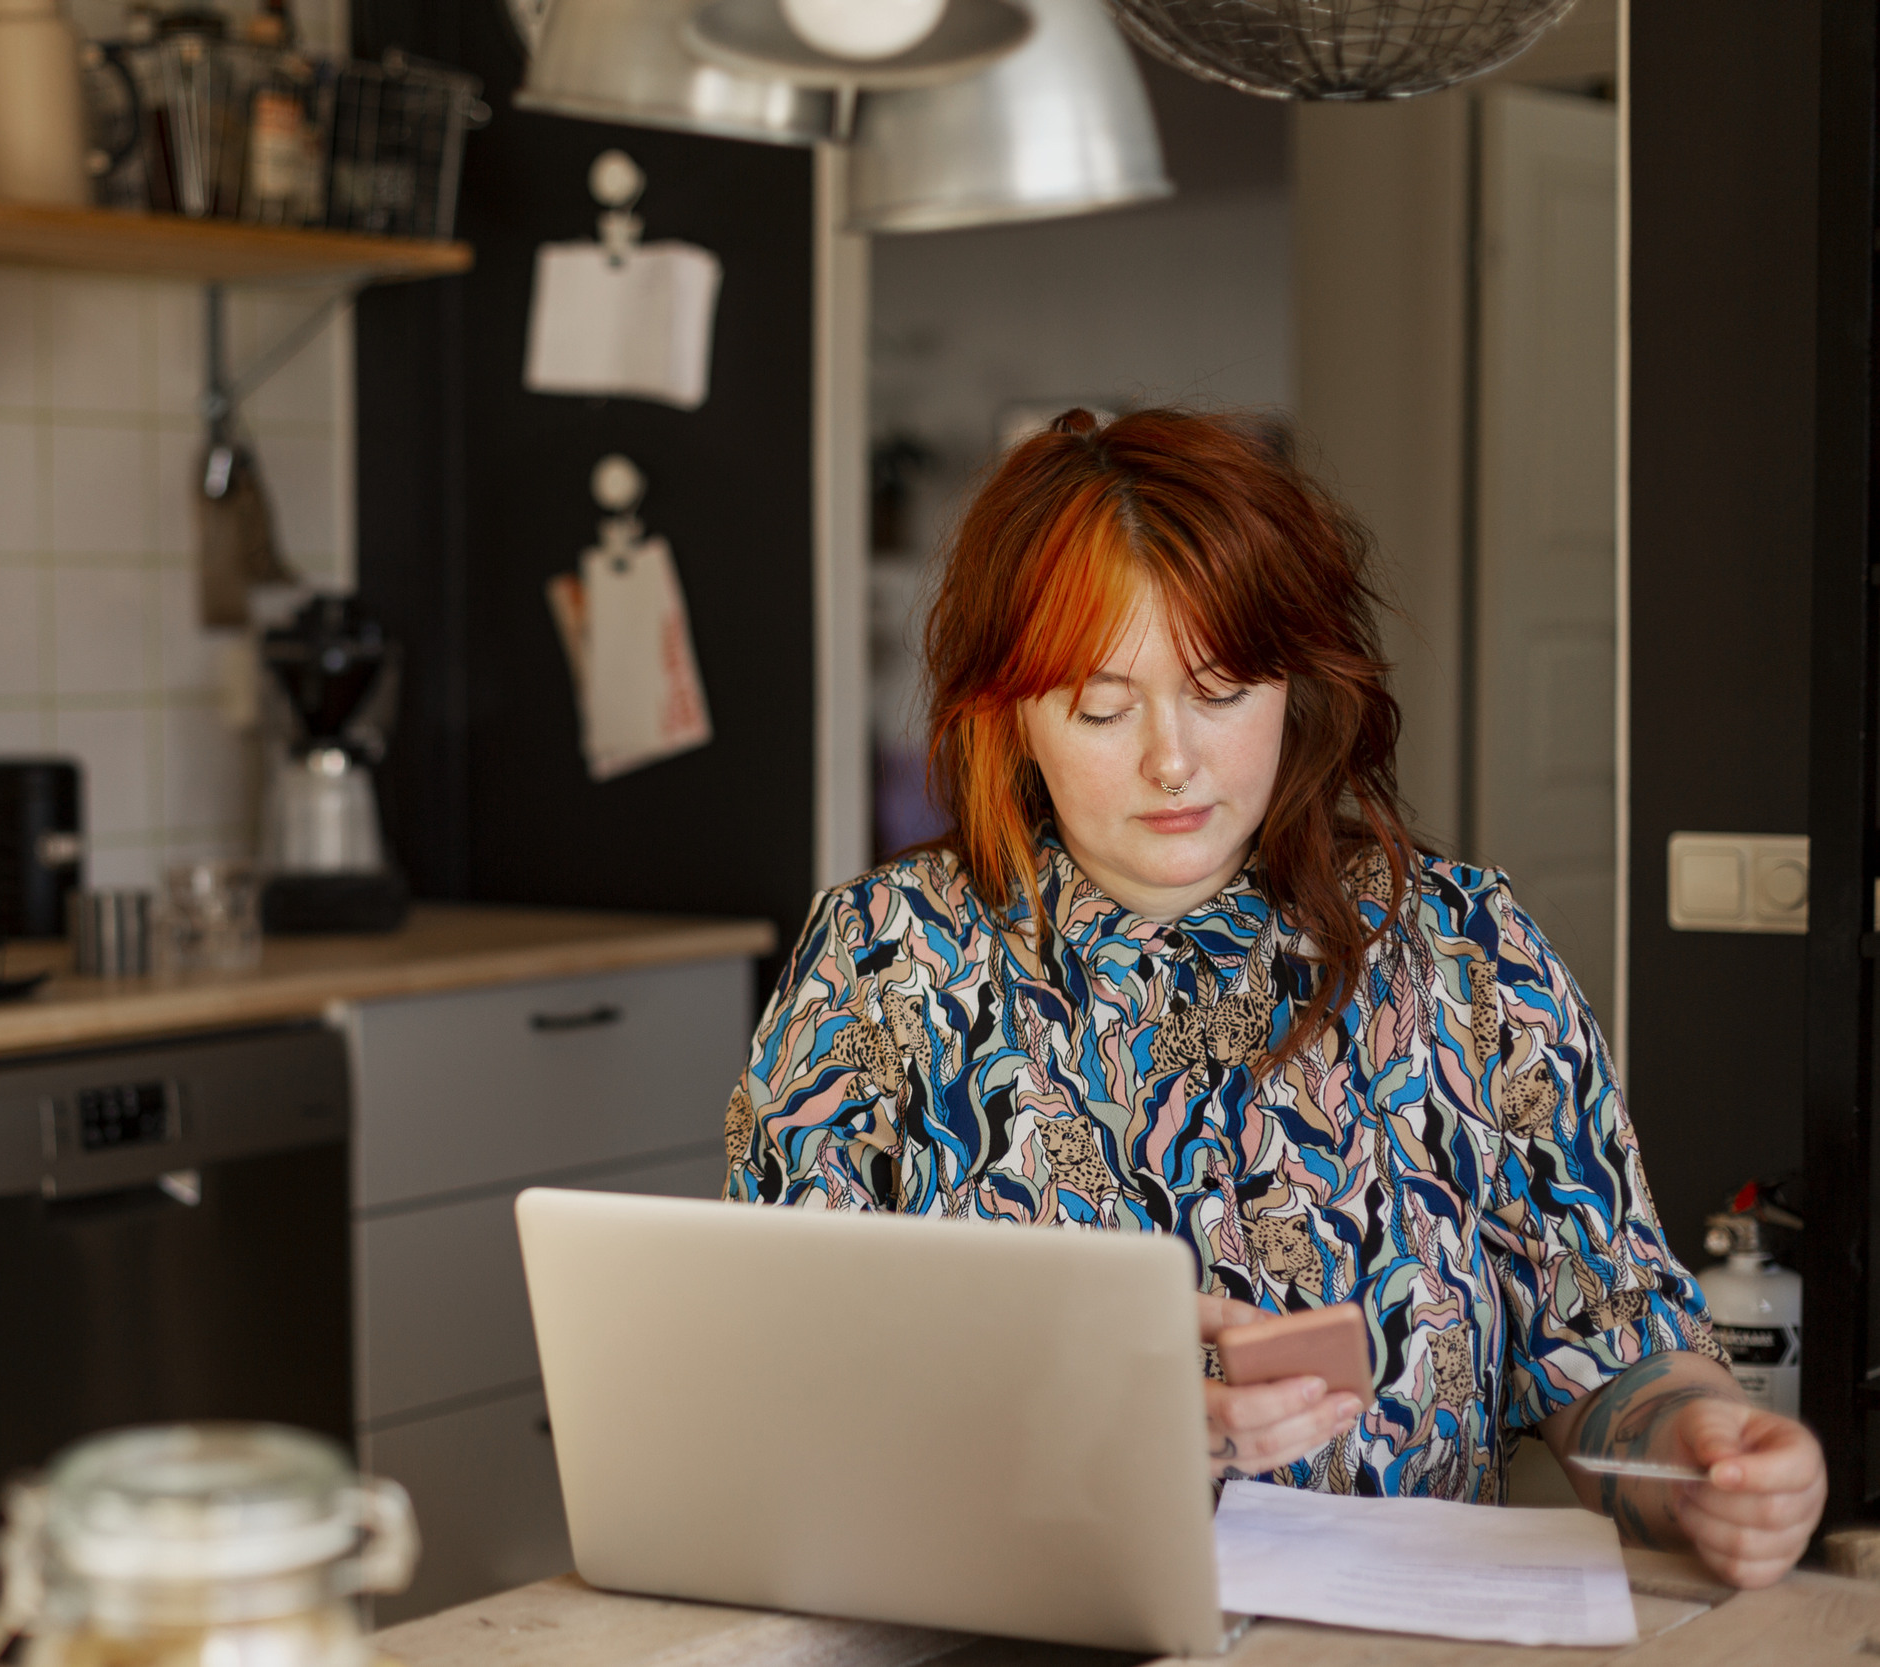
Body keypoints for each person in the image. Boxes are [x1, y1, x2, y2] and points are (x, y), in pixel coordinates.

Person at [723, 408, 1826, 1588]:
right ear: (1010, 715)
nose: (1172, 760)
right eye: (1101, 706)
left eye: (1220, 689)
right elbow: (776, 1393)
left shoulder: (1463, 953)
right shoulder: (883, 959)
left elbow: (1612, 1346)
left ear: (1295, 686)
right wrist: (1079, 1439)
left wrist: (1703, 1446)